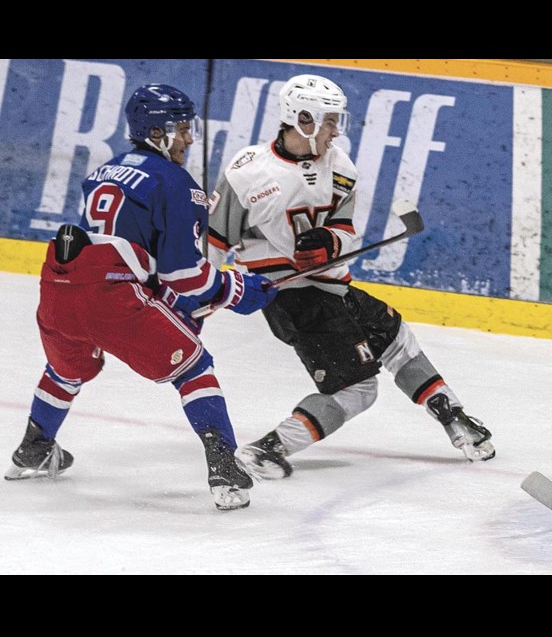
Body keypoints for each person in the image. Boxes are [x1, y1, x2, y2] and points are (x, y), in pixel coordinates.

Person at [205, 73, 494, 479]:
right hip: (293, 298)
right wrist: (198, 295)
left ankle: (456, 418)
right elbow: (214, 244)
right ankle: (269, 448)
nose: (335, 131)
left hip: (334, 286)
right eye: (327, 121)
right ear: (302, 119)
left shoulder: (340, 165)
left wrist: (328, 243)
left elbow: (341, 228)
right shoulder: (246, 173)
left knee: (396, 337)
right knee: (357, 389)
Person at [5, 84, 277, 511]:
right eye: (182, 129)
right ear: (156, 131)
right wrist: (236, 289)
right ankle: (224, 468)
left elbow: (126, 252)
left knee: (65, 370)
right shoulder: (176, 183)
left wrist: (175, 296)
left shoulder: (104, 171)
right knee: (195, 367)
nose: (189, 138)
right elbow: (186, 276)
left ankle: (33, 449)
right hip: (110, 296)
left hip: (57, 285)